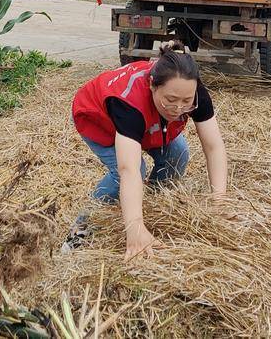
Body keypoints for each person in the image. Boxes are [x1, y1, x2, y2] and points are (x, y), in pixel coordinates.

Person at [70, 40, 228, 259]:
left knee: (178, 152)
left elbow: (214, 147)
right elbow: (129, 169)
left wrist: (219, 201)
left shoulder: (194, 93)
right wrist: (134, 230)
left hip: (147, 122)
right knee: (125, 174)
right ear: (152, 84)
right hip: (99, 120)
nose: (179, 109)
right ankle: (81, 230)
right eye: (171, 100)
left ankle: (150, 205)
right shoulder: (128, 104)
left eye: (186, 101)